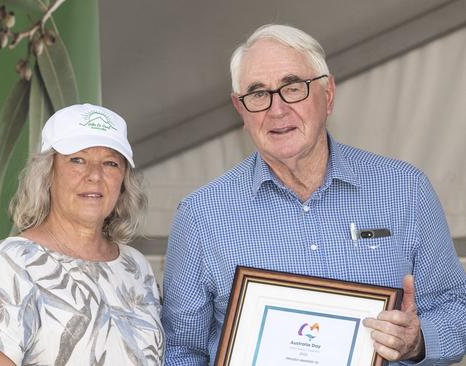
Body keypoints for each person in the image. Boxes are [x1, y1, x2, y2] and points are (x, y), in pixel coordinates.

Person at [161, 24, 466, 365]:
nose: (277, 110)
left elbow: (458, 306)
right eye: (258, 94)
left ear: (328, 94)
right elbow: (180, 350)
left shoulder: (404, 189)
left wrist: (417, 341)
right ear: (240, 109)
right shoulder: (201, 215)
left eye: (293, 87)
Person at [0, 103, 164, 366]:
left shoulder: (135, 267)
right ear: (48, 173)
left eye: (111, 163)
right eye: (77, 159)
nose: (94, 175)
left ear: (123, 182)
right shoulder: (11, 264)